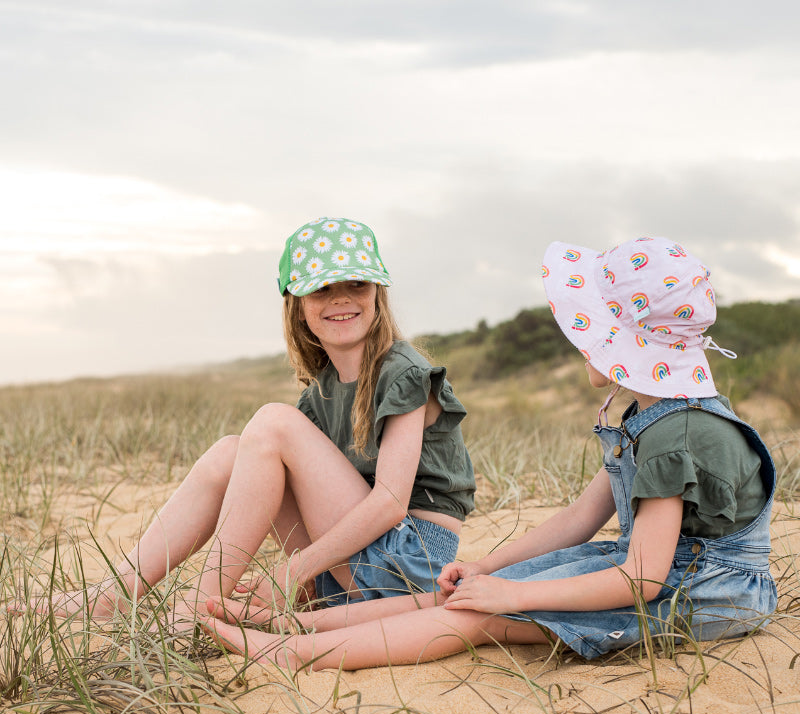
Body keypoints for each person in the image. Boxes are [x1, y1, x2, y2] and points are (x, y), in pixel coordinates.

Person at [202, 236, 778, 670]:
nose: (581, 341)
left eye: (593, 330)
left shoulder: (674, 437)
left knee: (477, 617)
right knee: (454, 592)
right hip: (661, 566)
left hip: (703, 592)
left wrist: (515, 593)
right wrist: (486, 567)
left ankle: (298, 655)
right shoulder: (649, 418)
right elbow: (580, 519)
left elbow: (643, 579)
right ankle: (292, 624)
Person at [15, 216, 475, 623]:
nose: (341, 299)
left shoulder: (404, 372)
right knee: (230, 452)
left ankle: (202, 602)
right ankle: (118, 592)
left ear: (378, 292)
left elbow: (391, 502)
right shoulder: (321, 391)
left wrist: (290, 571)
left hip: (414, 564)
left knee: (273, 425)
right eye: (321, 288)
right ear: (297, 302)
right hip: (356, 570)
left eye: (357, 284)